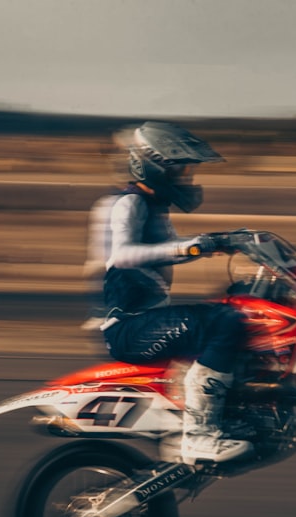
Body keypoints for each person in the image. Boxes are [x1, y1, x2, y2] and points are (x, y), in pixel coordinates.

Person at [89, 121, 251, 465]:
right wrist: (191, 248)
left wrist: (220, 242)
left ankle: (215, 419)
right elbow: (123, 255)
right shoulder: (128, 203)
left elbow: (166, 250)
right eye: (180, 169)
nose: (186, 177)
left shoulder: (155, 209)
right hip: (130, 328)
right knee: (222, 322)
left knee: (239, 308)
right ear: (154, 165)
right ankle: (199, 439)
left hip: (144, 322)